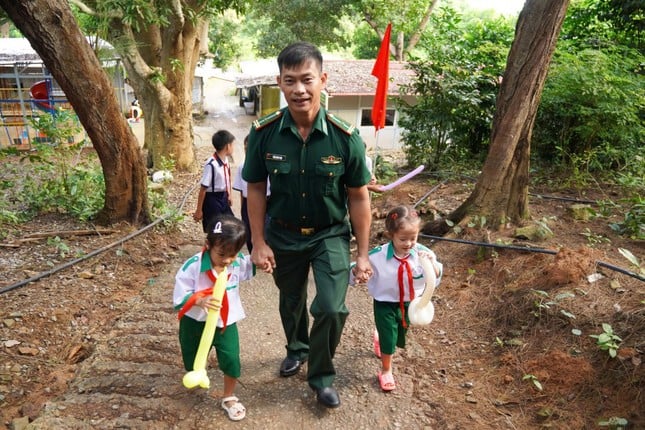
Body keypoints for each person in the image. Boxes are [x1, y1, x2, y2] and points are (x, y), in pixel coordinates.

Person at [242, 41, 373, 408]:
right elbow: (254, 188)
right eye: (290, 81)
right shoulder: (264, 134)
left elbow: (359, 196)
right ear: (279, 83)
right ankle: (296, 349)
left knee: (331, 307)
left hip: (329, 234)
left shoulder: (345, 137)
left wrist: (362, 254)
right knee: (292, 299)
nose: (299, 89)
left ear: (322, 80)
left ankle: (321, 376)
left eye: (307, 79)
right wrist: (258, 242)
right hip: (282, 232)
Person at [173, 214, 254, 421]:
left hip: (225, 323)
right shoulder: (192, 266)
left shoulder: (235, 264)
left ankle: (229, 396)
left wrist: (266, 261)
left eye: (233, 254)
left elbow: (253, 265)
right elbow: (180, 295)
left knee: (231, 359)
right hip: (195, 323)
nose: (227, 260)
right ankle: (199, 370)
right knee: (191, 359)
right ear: (208, 245)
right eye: (222, 254)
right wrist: (198, 300)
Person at [353, 205, 442, 392]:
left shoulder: (423, 254)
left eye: (413, 238)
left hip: (409, 304)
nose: (409, 243)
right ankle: (386, 370)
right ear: (390, 234)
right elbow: (358, 268)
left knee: (400, 332)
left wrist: (431, 264)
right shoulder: (377, 256)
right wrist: (359, 275)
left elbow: (434, 277)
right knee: (389, 336)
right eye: (403, 239)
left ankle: (380, 339)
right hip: (384, 303)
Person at [232, 134, 270, 253]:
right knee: (248, 229)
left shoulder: (268, 167)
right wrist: (244, 209)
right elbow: (242, 192)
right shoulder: (242, 167)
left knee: (266, 229)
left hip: (267, 201)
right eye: (245, 147)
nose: (247, 150)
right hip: (248, 203)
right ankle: (253, 253)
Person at [193, 130, 235, 233]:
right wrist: (199, 210)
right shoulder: (211, 164)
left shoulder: (226, 161)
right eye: (232, 145)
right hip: (212, 200)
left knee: (231, 225)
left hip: (223, 197)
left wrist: (229, 195)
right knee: (215, 229)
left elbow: (228, 178)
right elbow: (203, 189)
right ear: (227, 146)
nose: (233, 147)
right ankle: (212, 247)